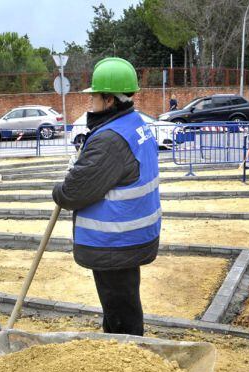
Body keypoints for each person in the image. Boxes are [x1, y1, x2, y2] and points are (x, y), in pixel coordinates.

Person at [52, 57, 160, 336]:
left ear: (109, 100)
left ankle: (127, 359)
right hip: (131, 237)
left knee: (121, 314)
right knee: (122, 305)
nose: (92, 103)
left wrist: (59, 190)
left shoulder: (110, 139)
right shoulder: (135, 124)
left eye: (95, 97)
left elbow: (73, 193)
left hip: (115, 241)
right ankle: (122, 348)